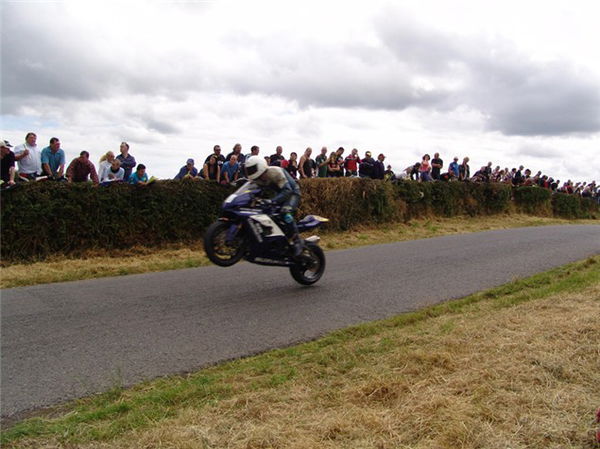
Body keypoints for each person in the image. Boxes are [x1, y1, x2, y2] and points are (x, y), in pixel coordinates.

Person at [245, 156, 304, 257]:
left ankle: (297, 240)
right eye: (249, 169)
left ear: (261, 167)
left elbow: (287, 190)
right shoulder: (257, 178)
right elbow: (252, 189)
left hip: (293, 193)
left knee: (286, 212)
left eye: (253, 169)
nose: (251, 171)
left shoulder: (275, 172)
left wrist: (272, 201)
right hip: (280, 194)